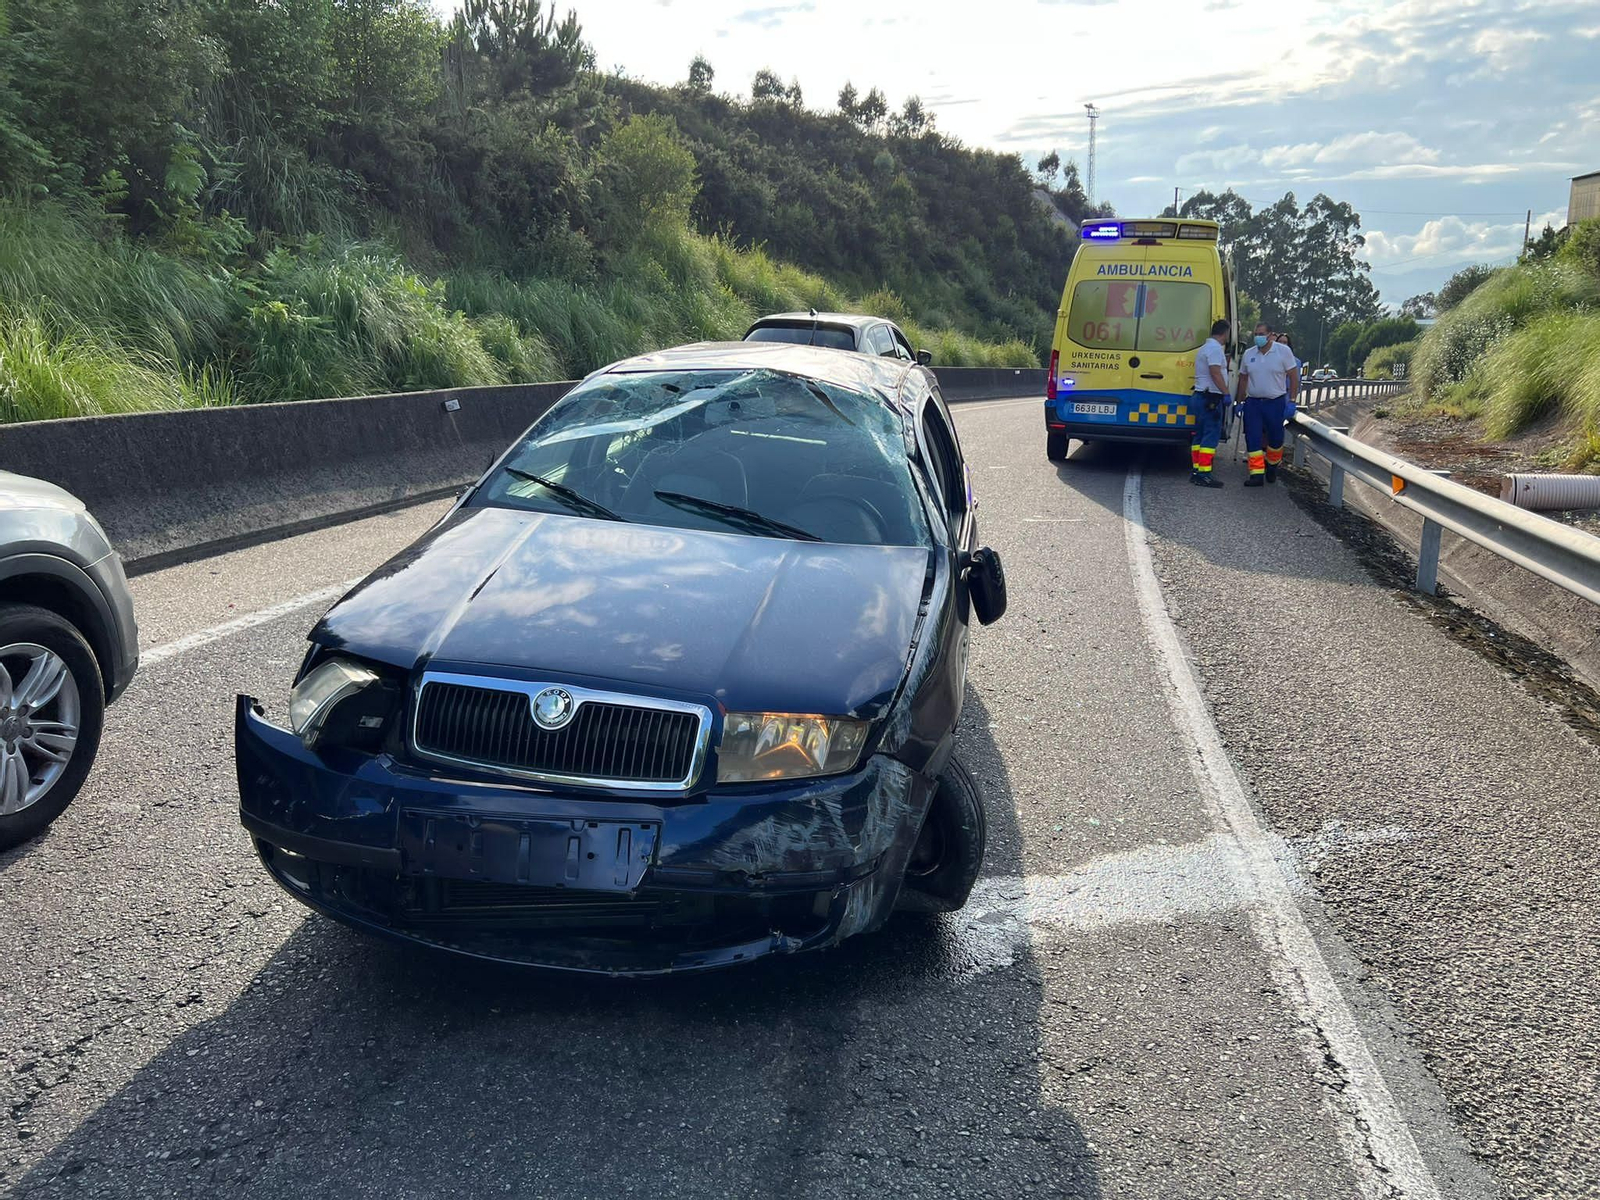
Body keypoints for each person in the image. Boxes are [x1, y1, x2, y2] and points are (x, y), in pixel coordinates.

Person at [1235, 322, 1300, 487]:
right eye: (1256, 334)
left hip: (1275, 402)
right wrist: (1240, 401)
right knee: (1252, 438)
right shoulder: (1249, 354)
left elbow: (1293, 376)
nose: (1258, 337)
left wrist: (1292, 400)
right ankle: (1256, 474)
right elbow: (1243, 378)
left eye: (1261, 334)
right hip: (1254, 403)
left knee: (1276, 439)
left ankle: (1272, 465)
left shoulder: (1283, 351)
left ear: (1270, 335)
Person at [1190, 318, 1231, 488]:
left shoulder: (1205, 348)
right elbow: (1215, 373)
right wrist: (1226, 393)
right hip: (1210, 399)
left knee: (1199, 437)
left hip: (1200, 396)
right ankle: (1204, 474)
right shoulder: (1215, 349)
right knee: (1210, 437)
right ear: (1225, 333)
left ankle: (1196, 471)